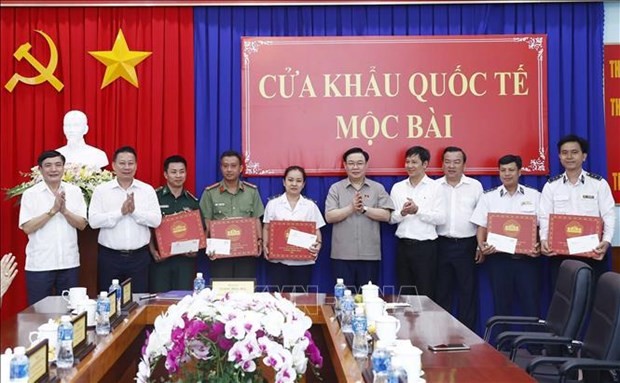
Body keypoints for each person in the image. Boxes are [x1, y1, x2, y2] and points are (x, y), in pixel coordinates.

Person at [470, 154, 541, 318]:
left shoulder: (534, 196)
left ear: (520, 172)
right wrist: (481, 245)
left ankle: (534, 344)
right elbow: (481, 225)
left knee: (531, 306)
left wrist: (538, 245)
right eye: (503, 170)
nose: (507, 174)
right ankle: (503, 344)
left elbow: (541, 226)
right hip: (499, 260)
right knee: (501, 307)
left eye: (511, 170)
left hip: (527, 261)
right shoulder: (489, 197)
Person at [540, 134, 616, 282]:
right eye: (564, 152)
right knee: (564, 299)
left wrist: (606, 241)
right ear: (559, 157)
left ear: (584, 156)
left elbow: (609, 215)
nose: (569, 157)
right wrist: (544, 239)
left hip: (592, 252)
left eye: (574, 152)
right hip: (560, 254)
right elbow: (544, 217)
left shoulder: (599, 184)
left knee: (592, 298)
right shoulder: (551, 186)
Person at [88, 146, 161, 293]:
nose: (126, 167)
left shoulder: (147, 190)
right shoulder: (102, 190)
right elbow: (93, 221)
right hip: (109, 257)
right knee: (109, 303)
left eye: (130, 163)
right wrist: (120, 212)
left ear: (136, 165)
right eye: (122, 163)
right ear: (114, 165)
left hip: (139, 257)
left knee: (138, 302)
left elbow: (156, 220)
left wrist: (134, 212)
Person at [19, 150, 88, 305]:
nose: (53, 169)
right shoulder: (31, 194)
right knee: (38, 313)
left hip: (69, 263)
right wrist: (52, 211)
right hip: (40, 265)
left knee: (70, 311)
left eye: (58, 165)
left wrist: (64, 211)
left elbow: (82, 224)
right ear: (40, 169)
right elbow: (27, 228)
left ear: (64, 168)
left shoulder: (74, 191)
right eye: (48, 165)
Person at [325, 147, 394, 288]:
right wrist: (351, 208)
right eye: (351, 163)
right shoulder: (335, 188)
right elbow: (329, 216)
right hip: (342, 256)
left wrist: (364, 209)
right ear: (345, 165)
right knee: (343, 300)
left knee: (368, 299)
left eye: (359, 163)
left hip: (369, 256)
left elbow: (386, 215)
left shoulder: (377, 188)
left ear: (366, 165)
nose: (355, 167)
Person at [435, 146, 483, 330]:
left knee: (467, 292)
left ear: (464, 164)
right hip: (441, 244)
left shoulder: (475, 186)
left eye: (456, 162)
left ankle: (467, 336)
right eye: (447, 161)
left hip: (467, 245)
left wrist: (480, 246)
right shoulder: (435, 186)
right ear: (442, 164)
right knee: (442, 293)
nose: (452, 166)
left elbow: (482, 218)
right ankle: (441, 335)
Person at [389, 146, 445, 298]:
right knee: (405, 293)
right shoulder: (398, 187)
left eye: (414, 162)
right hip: (403, 246)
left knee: (425, 294)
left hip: (425, 248)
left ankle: (426, 323)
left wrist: (417, 211)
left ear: (425, 164)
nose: (409, 166)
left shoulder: (436, 187)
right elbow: (391, 218)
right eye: (407, 162)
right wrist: (402, 213)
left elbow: (441, 218)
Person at [199, 150, 264, 279]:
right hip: (220, 252)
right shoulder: (210, 193)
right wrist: (209, 248)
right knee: (221, 293)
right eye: (225, 166)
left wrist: (259, 242)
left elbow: (256, 219)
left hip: (246, 251)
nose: (229, 169)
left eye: (233, 166)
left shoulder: (251, 191)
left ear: (240, 168)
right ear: (221, 168)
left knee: (245, 293)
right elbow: (206, 223)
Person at [262, 166, 325, 292]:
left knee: (301, 299)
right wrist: (265, 245)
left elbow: (317, 231)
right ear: (284, 182)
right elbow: (267, 228)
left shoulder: (310, 206)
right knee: (279, 299)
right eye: (290, 180)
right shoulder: (273, 204)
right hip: (278, 262)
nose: (294, 184)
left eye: (298, 181)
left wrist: (318, 245)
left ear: (303, 184)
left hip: (303, 262)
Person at [148, 155, 203, 292]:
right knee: (158, 300)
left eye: (181, 171)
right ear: (165, 174)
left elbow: (199, 230)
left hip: (185, 261)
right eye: (173, 172)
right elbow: (147, 227)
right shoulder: (154, 197)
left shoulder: (192, 201)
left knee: (183, 300)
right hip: (160, 260)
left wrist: (196, 249)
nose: (178, 175)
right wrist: (152, 250)